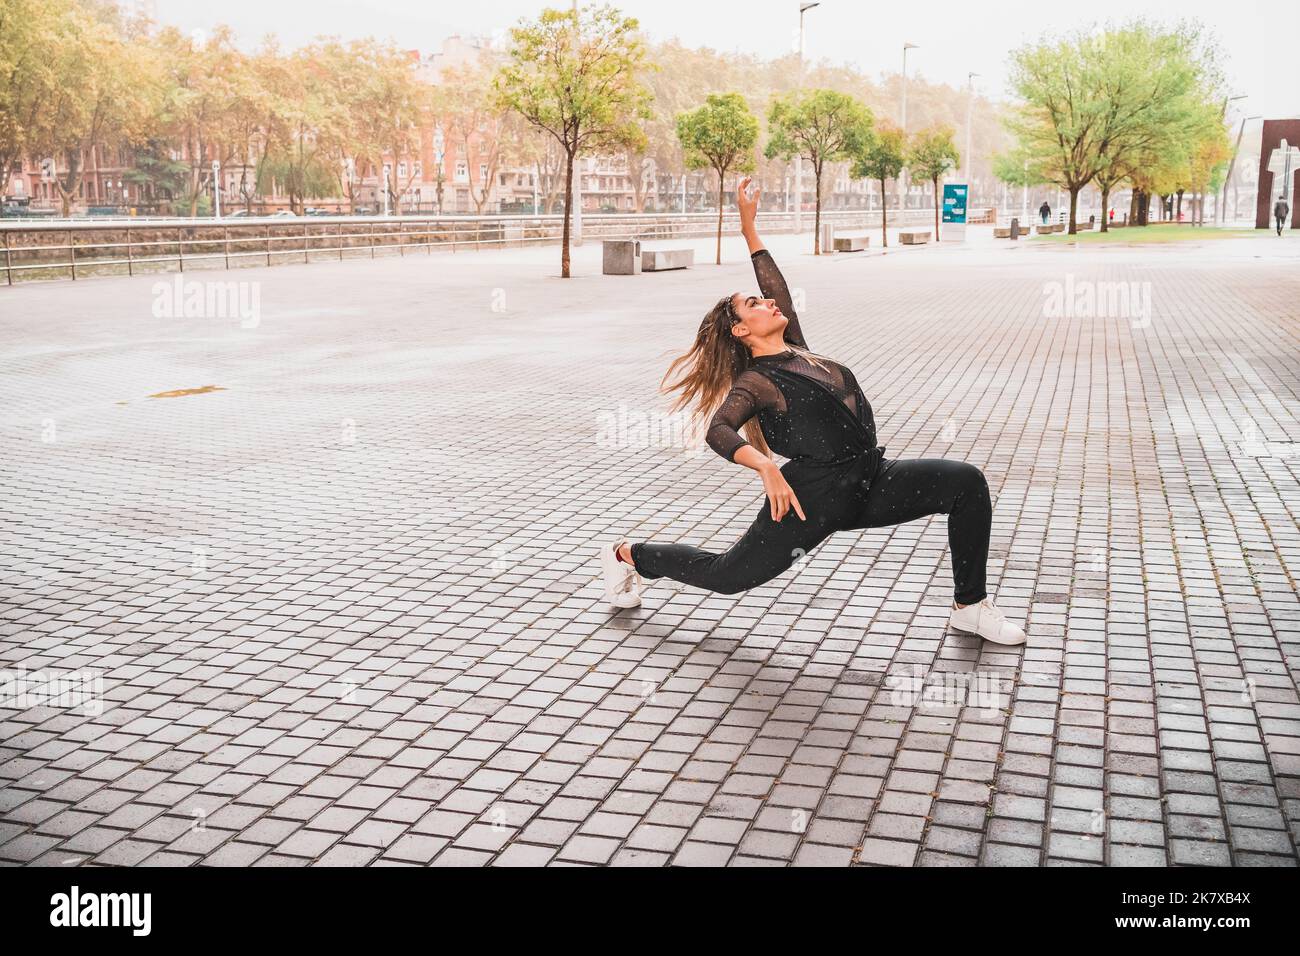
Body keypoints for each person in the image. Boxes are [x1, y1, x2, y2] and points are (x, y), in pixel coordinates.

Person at [598, 176, 1027, 646]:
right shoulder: (757, 382)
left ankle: (969, 606)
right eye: (754, 305)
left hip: (870, 479)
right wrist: (765, 466)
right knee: (727, 575)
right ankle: (627, 555)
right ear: (741, 331)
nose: (769, 302)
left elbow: (774, 281)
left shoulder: (799, 350)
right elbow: (718, 429)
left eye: (764, 299)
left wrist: (749, 226)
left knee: (966, 483)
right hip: (812, 500)